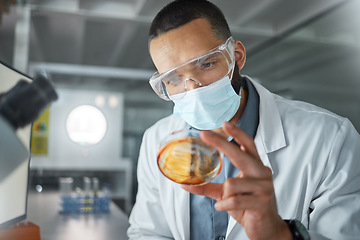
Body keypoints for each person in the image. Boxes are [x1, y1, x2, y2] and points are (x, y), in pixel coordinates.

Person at [127, 0, 360, 239]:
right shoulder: (156, 139)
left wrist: (279, 234)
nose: (192, 89)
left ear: (236, 57)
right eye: (173, 79)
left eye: (206, 64)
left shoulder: (330, 138)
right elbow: (148, 231)